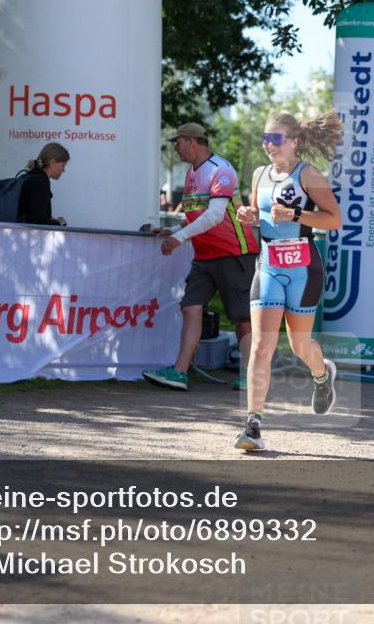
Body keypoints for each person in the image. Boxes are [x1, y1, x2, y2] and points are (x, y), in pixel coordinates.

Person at [233, 111, 343, 450]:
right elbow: (258, 212)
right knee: (261, 345)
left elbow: (334, 220)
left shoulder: (309, 174)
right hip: (268, 265)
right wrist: (248, 216)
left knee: (298, 347)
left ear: (294, 141)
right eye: (266, 138)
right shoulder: (259, 174)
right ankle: (253, 425)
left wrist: (296, 214)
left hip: (303, 267)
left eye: (276, 138)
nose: (269, 145)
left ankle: (322, 374)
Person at [144, 123, 259, 392]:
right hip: (205, 255)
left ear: (192, 141)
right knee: (190, 307)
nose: (175, 148)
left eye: (178, 142)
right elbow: (195, 215)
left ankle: (253, 375)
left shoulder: (221, 169)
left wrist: (179, 237)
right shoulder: (192, 173)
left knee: (242, 318)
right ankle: (179, 372)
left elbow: (216, 215)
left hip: (235, 253)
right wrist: (173, 229)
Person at [17, 142, 69, 226]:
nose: (63, 170)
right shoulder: (41, 182)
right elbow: (39, 224)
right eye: (63, 165)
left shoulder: (31, 176)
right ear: (53, 163)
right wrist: (59, 223)